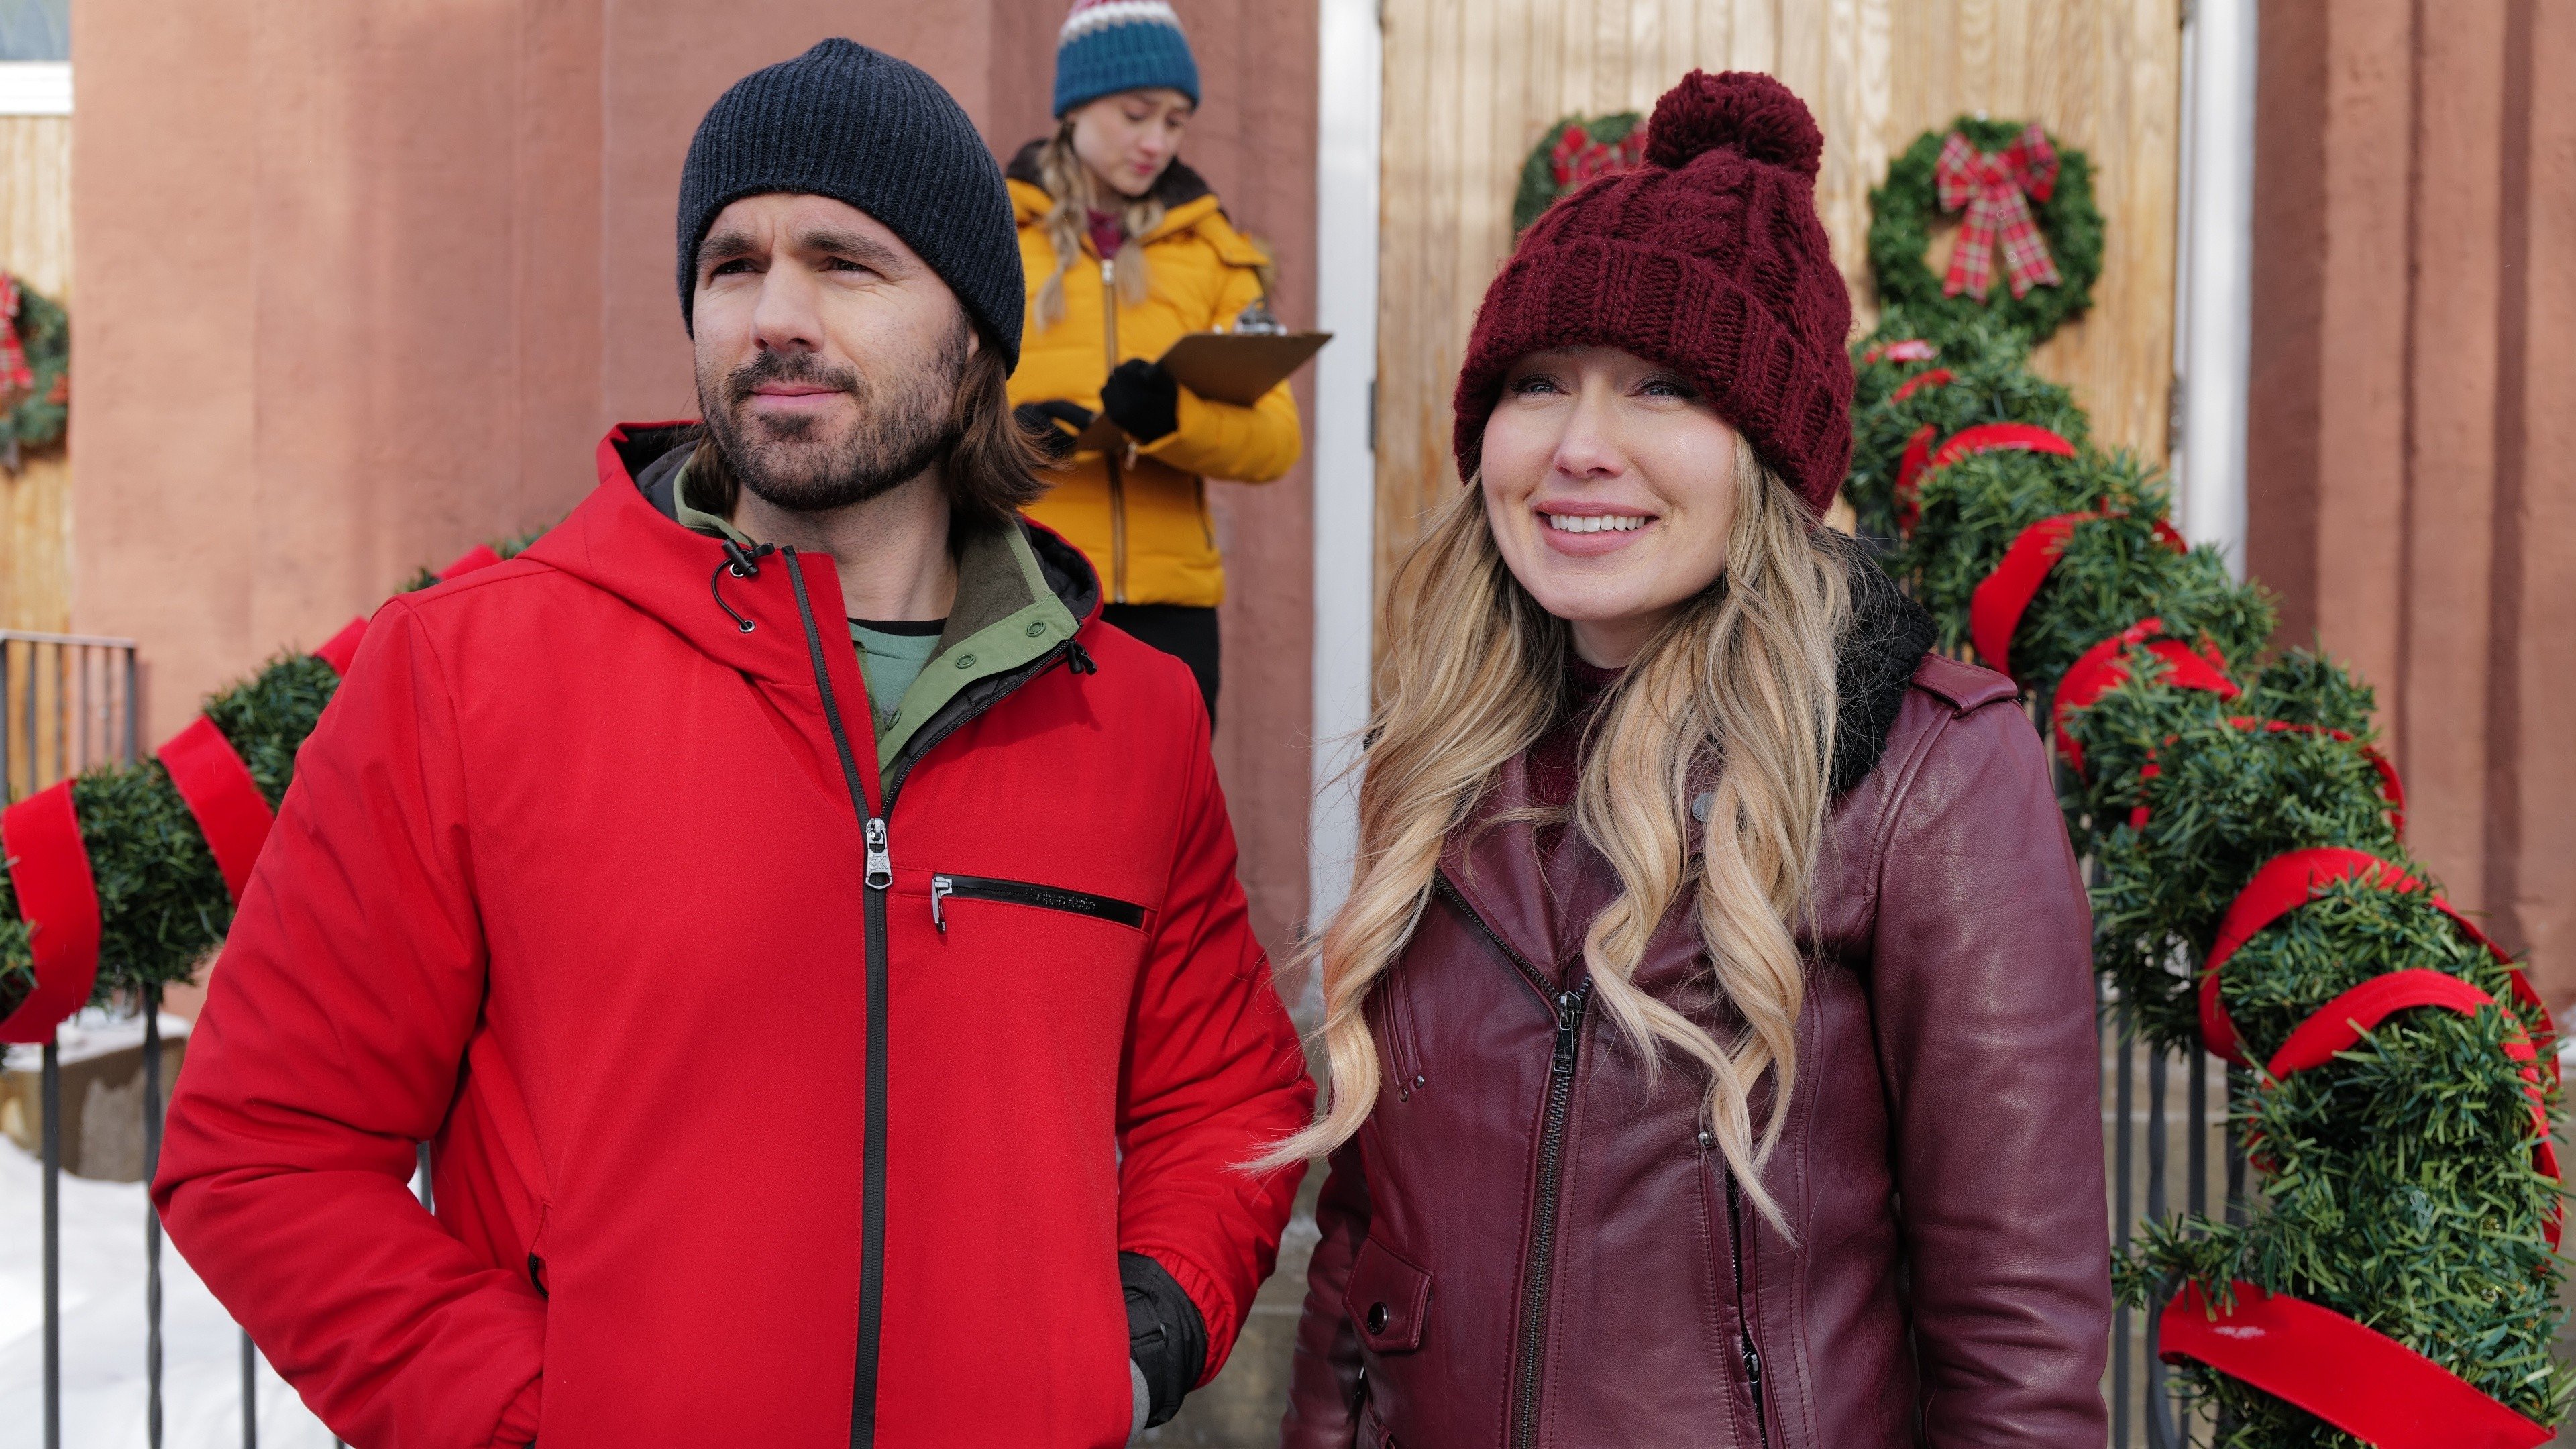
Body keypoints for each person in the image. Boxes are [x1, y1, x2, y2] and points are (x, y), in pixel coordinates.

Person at [153, 40, 1312, 1449]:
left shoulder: (1127, 716)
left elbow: (1227, 1098)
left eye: (846, 262)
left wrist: (1130, 1350)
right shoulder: (464, 671)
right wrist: (539, 1420)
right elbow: (264, 1145)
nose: (774, 316)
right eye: (731, 266)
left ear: (976, 337)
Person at [1273, 72, 2111, 1448]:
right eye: (1539, 385)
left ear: (1769, 455)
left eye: (1662, 388)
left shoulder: (1928, 776)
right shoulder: (1429, 761)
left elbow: (2021, 1349)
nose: (1579, 448)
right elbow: (1363, 1255)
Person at [1004, 0, 1303, 719]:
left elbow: (1277, 443)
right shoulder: (997, 235)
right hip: (1028, 585)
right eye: (1137, 115)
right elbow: (932, 410)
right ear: (1076, 107)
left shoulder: (1216, 254)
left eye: (1175, 122)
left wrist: (1173, 420)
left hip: (1174, 612)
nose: (1156, 143)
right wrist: (1009, 437)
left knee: (1169, 794)